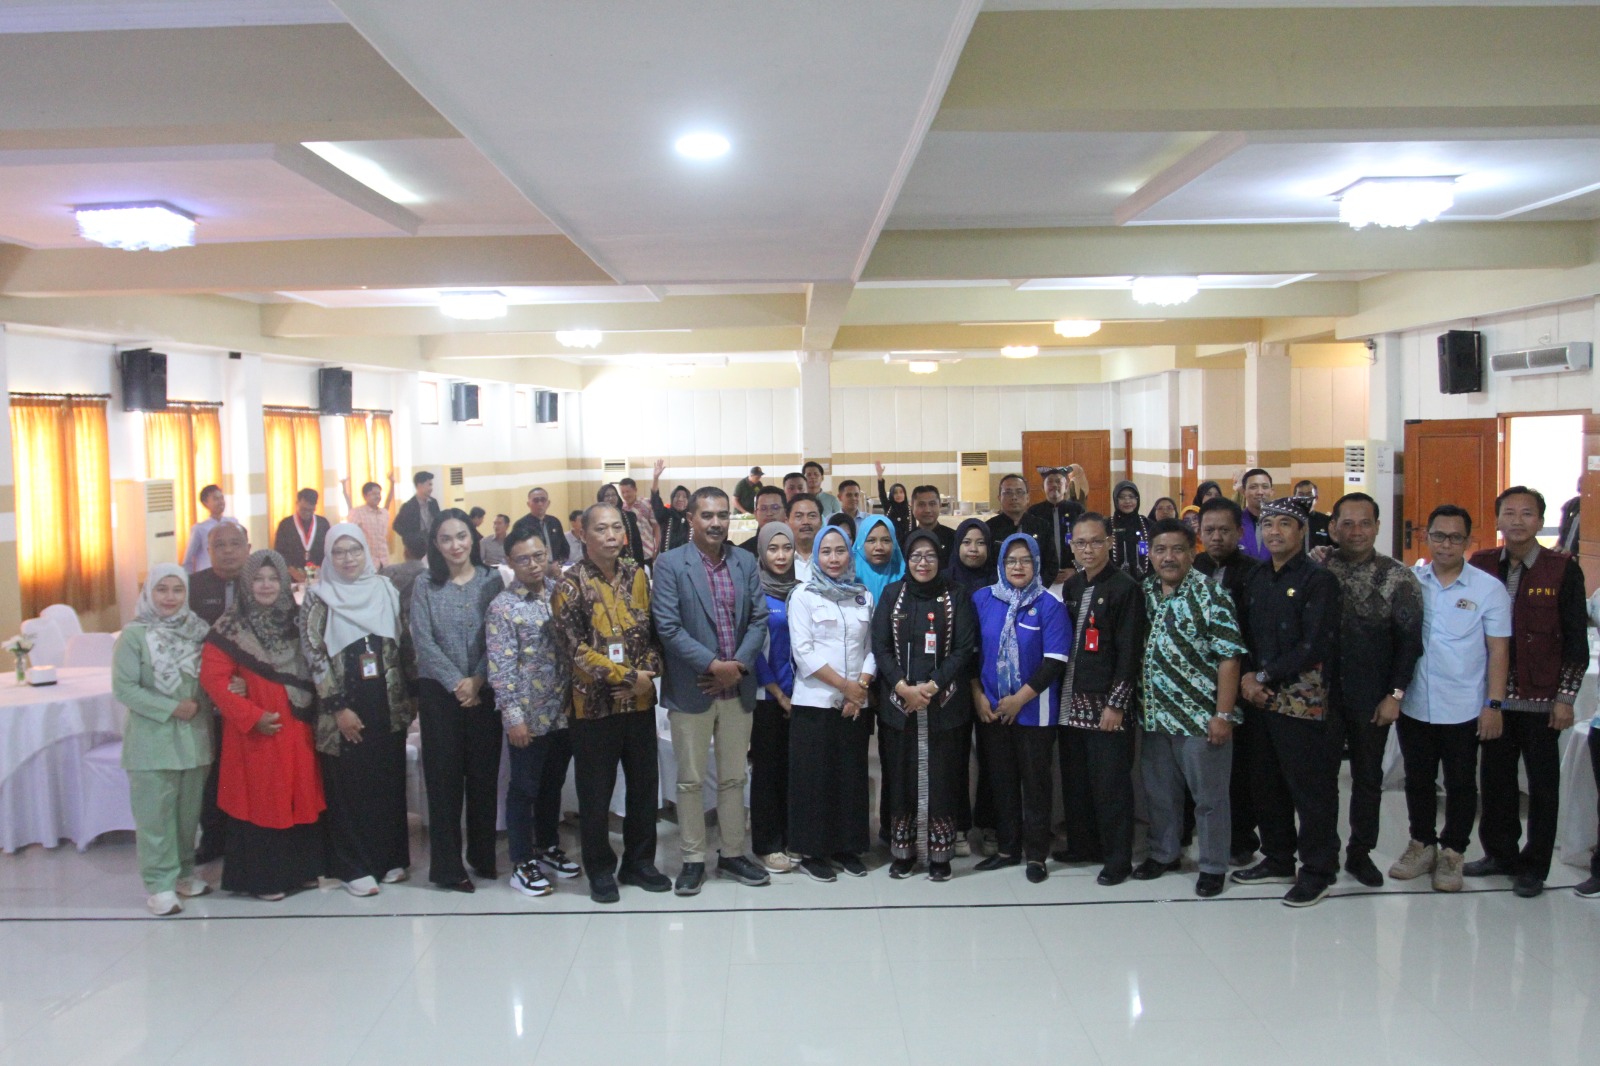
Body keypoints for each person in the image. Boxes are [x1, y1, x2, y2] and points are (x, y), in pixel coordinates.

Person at [1465, 486, 1589, 898]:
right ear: (1497, 519)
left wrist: (1565, 699)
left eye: (1527, 514)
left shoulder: (1562, 568)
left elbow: (1574, 640)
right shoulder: (1481, 564)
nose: (1517, 521)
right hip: (1493, 699)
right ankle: (1499, 853)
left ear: (1540, 520)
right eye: (1509, 513)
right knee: (1495, 779)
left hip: (1541, 699)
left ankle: (1534, 865)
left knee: (1541, 785)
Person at [652, 487, 772, 895]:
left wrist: (735, 667)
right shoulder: (670, 564)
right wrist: (713, 666)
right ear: (691, 519)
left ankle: (734, 853)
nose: (716, 522)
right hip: (693, 689)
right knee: (689, 780)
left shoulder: (745, 562)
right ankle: (691, 859)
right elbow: (667, 627)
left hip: (737, 689)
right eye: (707, 515)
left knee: (734, 778)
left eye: (722, 515)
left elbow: (759, 620)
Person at [551, 503, 668, 903]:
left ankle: (639, 863)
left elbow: (654, 633)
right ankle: (600, 869)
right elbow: (573, 648)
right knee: (596, 794)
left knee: (643, 787)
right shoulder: (569, 584)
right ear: (583, 534)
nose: (612, 535)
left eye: (617, 527)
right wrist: (625, 677)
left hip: (638, 704)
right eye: (602, 529)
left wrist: (646, 676)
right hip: (594, 708)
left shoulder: (638, 574)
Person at [1389, 505, 1510, 893]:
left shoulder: (1487, 588)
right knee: (1418, 779)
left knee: (1460, 782)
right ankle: (1421, 844)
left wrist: (1494, 705)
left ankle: (1453, 851)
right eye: (1439, 535)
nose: (1446, 544)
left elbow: (1499, 651)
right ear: (1427, 537)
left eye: (1455, 537)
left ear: (1468, 542)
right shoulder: (1410, 581)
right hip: (1416, 702)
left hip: (1463, 705)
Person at [1232, 497, 1342, 907]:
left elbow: (1313, 645)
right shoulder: (1259, 577)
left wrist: (1262, 676)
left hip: (1301, 700)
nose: (1274, 531)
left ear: (1301, 531)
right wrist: (1250, 679)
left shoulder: (1319, 580)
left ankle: (1318, 869)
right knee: (1266, 783)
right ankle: (1278, 856)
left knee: (1310, 789)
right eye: (1267, 524)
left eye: (1284, 524)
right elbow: (1244, 634)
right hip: (1258, 697)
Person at [199, 550, 326, 900]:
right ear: (246, 583)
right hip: (257, 734)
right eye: (258, 579)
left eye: (273, 578)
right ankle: (263, 880)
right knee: (263, 801)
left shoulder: (298, 621)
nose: (266, 585)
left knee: (298, 797)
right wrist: (251, 716)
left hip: (298, 728)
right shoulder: (230, 626)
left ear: (284, 582)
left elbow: (319, 665)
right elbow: (213, 679)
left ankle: (300, 872)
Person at [300, 523, 412, 897]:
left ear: (366, 551)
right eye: (339, 552)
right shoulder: (319, 597)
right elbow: (314, 654)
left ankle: (389, 857)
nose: (348, 559)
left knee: (387, 778)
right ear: (328, 557)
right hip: (344, 704)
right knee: (348, 784)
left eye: (355, 550)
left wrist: (409, 699)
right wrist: (337, 709)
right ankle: (353, 865)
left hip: (386, 700)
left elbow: (401, 642)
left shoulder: (384, 588)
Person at [1137, 520, 1247, 898]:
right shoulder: (1145, 591)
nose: (1168, 557)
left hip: (1201, 719)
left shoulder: (1210, 595)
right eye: (1160, 550)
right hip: (1154, 716)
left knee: (1210, 800)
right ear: (1150, 554)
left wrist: (1223, 715)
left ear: (1192, 552)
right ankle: (1165, 853)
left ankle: (1213, 865)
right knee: (1160, 794)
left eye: (1178, 549)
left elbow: (1229, 658)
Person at [1319, 492, 1423, 887]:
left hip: (1372, 696)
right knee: (1322, 778)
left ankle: (1360, 853)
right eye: (1347, 523)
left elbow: (1410, 642)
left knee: (1367, 778)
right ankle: (1323, 852)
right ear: (1333, 528)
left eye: (1365, 523)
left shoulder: (1399, 577)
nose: (1356, 531)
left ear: (1378, 527)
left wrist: (1395, 695)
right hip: (1322, 696)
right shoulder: (1319, 569)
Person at [872, 529, 977, 882]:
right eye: (915, 555)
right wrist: (903, 687)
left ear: (940, 559)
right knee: (900, 777)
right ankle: (903, 853)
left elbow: (964, 649)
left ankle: (940, 854)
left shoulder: (957, 596)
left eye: (930, 556)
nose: (923, 562)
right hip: (899, 707)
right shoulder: (891, 596)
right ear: (906, 559)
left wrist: (930, 687)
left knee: (943, 779)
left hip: (944, 706)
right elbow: (880, 647)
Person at [410, 508, 505, 893]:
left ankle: (482, 856)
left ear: (473, 538)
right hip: (439, 696)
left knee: (483, 779)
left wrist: (478, 678)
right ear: (436, 543)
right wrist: (457, 683)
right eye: (446, 538)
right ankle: (447, 867)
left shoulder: (491, 579)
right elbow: (422, 641)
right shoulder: (424, 585)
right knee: (444, 782)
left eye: (462, 536)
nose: (455, 545)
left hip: (484, 691)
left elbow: (500, 634)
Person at [115, 564, 216, 916]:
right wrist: (171, 707)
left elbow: (211, 678)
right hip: (152, 741)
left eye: (177, 590)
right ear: (149, 593)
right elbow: (124, 688)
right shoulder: (134, 636)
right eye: (162, 590)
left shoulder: (198, 631)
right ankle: (159, 884)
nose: (170, 597)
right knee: (155, 817)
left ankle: (184, 875)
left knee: (188, 816)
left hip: (193, 740)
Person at [487, 526, 579, 899]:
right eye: (523, 559)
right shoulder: (503, 608)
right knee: (523, 788)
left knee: (552, 784)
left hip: (564, 711)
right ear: (510, 563)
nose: (533, 564)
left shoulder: (560, 594)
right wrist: (513, 717)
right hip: (529, 716)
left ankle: (547, 846)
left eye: (539, 556)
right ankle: (522, 862)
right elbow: (501, 668)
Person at [971, 534, 1069, 882]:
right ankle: (1008, 849)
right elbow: (971, 654)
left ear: (1037, 563)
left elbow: (1054, 661)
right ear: (1000, 563)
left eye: (1025, 560)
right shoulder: (983, 599)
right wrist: (978, 695)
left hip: (1033, 712)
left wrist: (1018, 700)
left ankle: (1036, 855)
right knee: (1002, 782)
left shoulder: (1049, 604)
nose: (1017, 566)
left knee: (1036, 784)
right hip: (992, 711)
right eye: (1011, 560)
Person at [1057, 513, 1146, 885]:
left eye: (1095, 542)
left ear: (1109, 542)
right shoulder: (1073, 587)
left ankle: (1117, 858)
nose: (1087, 550)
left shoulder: (1126, 588)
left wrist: (1116, 704)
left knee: (1110, 784)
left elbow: (1129, 653)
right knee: (1077, 781)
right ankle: (1083, 844)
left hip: (1107, 706)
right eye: (1080, 543)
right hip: (1071, 701)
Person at [786, 525, 877, 882]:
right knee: (814, 778)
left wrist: (861, 687)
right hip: (815, 703)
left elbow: (871, 647)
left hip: (856, 702)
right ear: (816, 556)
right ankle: (813, 851)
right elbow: (803, 652)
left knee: (851, 776)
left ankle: (848, 847)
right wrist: (845, 687)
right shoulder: (804, 595)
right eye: (826, 552)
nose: (834, 558)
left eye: (840, 551)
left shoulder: (862, 596)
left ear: (850, 554)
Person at [1193, 496, 1264, 865]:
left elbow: (1255, 632)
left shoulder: (1254, 572)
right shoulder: (1192, 566)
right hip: (1195, 681)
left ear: (1239, 531)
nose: (1216, 537)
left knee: (1238, 767)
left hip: (1239, 679)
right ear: (1199, 532)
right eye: (1209, 530)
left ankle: (1240, 838)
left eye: (1224, 530)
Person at [188, 521, 251, 865]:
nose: (228, 551)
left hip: (252, 693)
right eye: (219, 545)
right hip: (205, 694)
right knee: (211, 770)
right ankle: (212, 837)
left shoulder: (261, 582)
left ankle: (246, 837)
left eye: (235, 543)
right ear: (208, 551)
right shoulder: (193, 587)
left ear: (248, 547)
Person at [751, 521, 800, 873]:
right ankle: (767, 843)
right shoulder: (753, 592)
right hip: (767, 698)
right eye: (773, 549)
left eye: (786, 548)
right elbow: (751, 648)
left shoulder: (802, 590)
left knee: (794, 770)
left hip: (803, 697)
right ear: (762, 552)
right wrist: (778, 693)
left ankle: (792, 836)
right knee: (767, 771)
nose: (781, 556)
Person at [948, 517, 997, 856]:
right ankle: (958, 826)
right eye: (967, 542)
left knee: (994, 759)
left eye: (980, 542)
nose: (974, 549)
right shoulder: (945, 584)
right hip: (954, 684)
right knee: (955, 759)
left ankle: (992, 824)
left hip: (994, 684)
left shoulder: (1001, 581)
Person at [1022, 467, 1085, 587]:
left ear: (1066, 487)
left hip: (1073, 576)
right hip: (1042, 579)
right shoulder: (1033, 512)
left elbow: (1085, 542)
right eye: (1050, 482)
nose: (1054, 485)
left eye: (1058, 481)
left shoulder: (1077, 510)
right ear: (1043, 487)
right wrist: (1048, 573)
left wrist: (1076, 569)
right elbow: (1029, 546)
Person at [380, 533, 429, 646]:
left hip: (395, 625)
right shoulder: (430, 577)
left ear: (406, 551)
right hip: (420, 626)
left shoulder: (389, 572)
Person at [273, 488, 330, 583]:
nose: (307, 513)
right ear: (297, 503)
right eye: (303, 509)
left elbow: (327, 550)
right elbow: (279, 552)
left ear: (315, 507)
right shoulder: (285, 524)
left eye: (310, 510)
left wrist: (315, 572)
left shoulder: (323, 523)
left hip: (318, 574)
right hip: (292, 575)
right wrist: (293, 572)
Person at [182, 484, 241, 574]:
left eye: (222, 498)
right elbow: (188, 559)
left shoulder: (233, 523)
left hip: (229, 572)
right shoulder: (199, 529)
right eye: (216, 499)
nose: (220, 502)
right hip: (206, 574)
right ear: (206, 503)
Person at [342, 474, 395, 568]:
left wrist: (392, 483)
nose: (377, 496)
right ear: (365, 496)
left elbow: (388, 501)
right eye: (374, 494)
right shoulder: (357, 512)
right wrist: (344, 487)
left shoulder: (384, 513)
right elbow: (350, 533)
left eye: (379, 494)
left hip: (384, 560)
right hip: (367, 560)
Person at [853, 513, 905, 606]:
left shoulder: (904, 577)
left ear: (894, 544)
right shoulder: (848, 577)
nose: (879, 547)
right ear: (861, 544)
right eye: (871, 540)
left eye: (886, 540)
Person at [510, 487, 570, 565]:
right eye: (536, 500)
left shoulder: (554, 522)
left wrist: (559, 563)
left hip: (556, 567)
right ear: (528, 504)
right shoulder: (521, 525)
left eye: (543, 500)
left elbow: (564, 547)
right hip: (533, 568)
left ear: (548, 503)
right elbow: (517, 552)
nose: (540, 503)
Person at [1109, 481, 1153, 579]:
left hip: (1146, 582)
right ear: (1116, 500)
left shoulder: (1147, 524)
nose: (1127, 501)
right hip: (1115, 582)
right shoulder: (1107, 525)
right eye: (1122, 497)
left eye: (1131, 497)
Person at [648, 461, 692, 555]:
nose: (680, 499)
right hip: (667, 561)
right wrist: (655, 478)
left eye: (684, 497)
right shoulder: (665, 515)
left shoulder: (692, 518)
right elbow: (655, 500)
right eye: (677, 496)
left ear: (689, 501)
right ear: (672, 499)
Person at [597, 483, 645, 565]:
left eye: (613, 495)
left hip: (628, 560)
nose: (611, 498)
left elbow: (637, 543)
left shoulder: (629, 516)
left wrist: (639, 565)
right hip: (605, 561)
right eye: (607, 496)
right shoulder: (596, 518)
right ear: (601, 498)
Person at [907, 485, 956, 565]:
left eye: (932, 504)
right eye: (921, 504)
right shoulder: (906, 540)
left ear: (940, 506)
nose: (927, 510)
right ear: (912, 507)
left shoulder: (953, 537)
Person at [617, 477, 660, 560]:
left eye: (628, 491)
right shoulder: (621, 508)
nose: (625, 495)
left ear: (635, 490)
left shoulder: (646, 504)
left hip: (647, 552)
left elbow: (656, 526)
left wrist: (656, 548)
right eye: (622, 492)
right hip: (630, 554)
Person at [392, 470, 441, 541]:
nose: (431, 488)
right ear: (419, 486)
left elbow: (438, 520)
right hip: (417, 547)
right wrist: (411, 538)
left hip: (433, 542)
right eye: (429, 485)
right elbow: (396, 526)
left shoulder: (433, 502)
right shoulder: (408, 506)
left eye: (431, 485)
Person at [739, 485, 788, 554]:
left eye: (775, 508)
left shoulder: (796, 547)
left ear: (786, 513)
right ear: (756, 514)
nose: (769, 513)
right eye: (763, 508)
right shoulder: (743, 552)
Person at [1238, 468, 1274, 562]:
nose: (1260, 492)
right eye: (1253, 487)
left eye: (1265, 487)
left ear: (1272, 491)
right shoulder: (1235, 521)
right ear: (1243, 491)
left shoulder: (1282, 523)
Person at [786, 493, 823, 582]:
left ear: (821, 521)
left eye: (812, 516)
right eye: (799, 516)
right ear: (787, 522)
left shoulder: (830, 558)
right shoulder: (782, 559)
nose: (806, 522)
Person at [986, 473, 1031, 545]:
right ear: (999, 498)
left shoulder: (1042, 526)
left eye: (1019, 492)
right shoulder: (988, 528)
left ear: (1028, 498)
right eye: (1008, 493)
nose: (1014, 497)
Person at [875, 461, 912, 542]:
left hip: (908, 543)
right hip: (892, 543)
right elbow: (882, 495)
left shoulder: (910, 509)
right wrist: (880, 476)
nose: (898, 495)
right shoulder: (889, 507)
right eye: (895, 493)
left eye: (901, 492)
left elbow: (913, 528)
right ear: (891, 495)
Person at [1292, 480, 1333, 551]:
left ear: (1316, 498)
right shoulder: (1287, 521)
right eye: (1301, 495)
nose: (1305, 498)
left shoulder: (1326, 521)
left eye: (1309, 495)